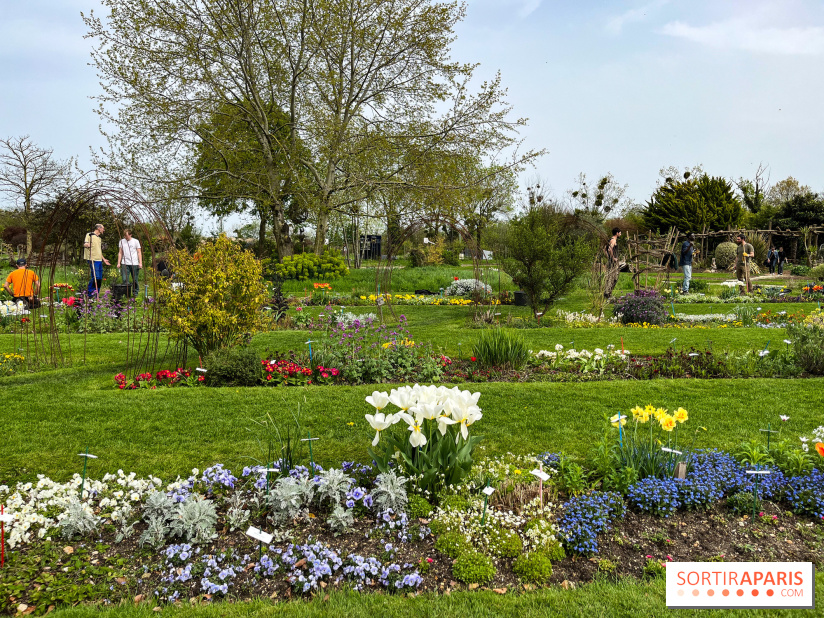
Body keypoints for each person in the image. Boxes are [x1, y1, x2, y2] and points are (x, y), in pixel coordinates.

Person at [83, 223, 111, 296]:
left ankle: (96, 294)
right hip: (92, 258)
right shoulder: (89, 235)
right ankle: (89, 293)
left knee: (99, 278)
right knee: (96, 277)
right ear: (99, 228)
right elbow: (85, 244)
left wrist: (104, 259)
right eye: (103, 229)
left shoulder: (99, 238)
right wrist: (87, 245)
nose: (103, 230)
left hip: (99, 260)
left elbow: (99, 250)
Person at [604, 227, 622, 298]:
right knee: (613, 277)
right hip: (613, 262)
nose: (620, 234)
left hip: (610, 261)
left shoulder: (609, 240)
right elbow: (609, 249)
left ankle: (607, 292)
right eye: (620, 233)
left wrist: (608, 257)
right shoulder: (613, 240)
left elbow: (604, 249)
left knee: (610, 276)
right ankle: (608, 293)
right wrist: (613, 258)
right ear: (617, 233)